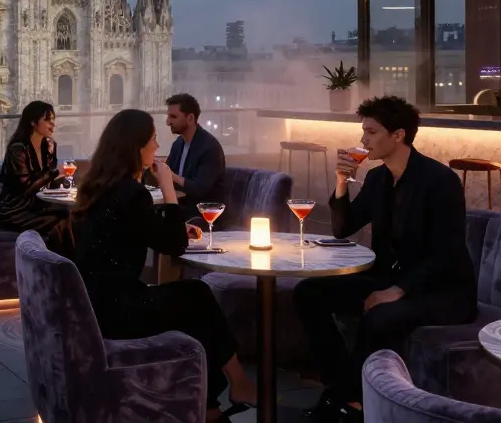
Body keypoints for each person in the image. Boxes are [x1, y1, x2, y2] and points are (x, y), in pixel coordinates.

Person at [294, 96, 477, 422]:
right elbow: (343, 228)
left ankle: (349, 402)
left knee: (379, 317)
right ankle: (340, 384)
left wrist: (397, 290)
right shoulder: (378, 178)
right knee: (308, 292)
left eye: (371, 132)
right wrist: (341, 182)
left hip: (442, 290)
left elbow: (446, 253)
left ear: (398, 135)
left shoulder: (439, 180)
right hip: (390, 279)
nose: (363, 140)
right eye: (363, 131)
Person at [71, 108, 256, 421]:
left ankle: (210, 403)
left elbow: (139, 230)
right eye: (153, 140)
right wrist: (168, 188)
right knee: (197, 296)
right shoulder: (131, 192)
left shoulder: (101, 187)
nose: (158, 147)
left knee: (191, 304)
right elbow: (173, 246)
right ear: (137, 147)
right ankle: (236, 385)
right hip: (117, 310)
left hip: (94, 304)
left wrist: (175, 227)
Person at [0, 100, 72, 254]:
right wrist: (55, 173)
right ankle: (56, 262)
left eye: (53, 119)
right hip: (14, 210)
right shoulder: (17, 149)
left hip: (36, 206)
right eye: (47, 120)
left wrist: (60, 177)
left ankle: (67, 261)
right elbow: (27, 188)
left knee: (71, 214)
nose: (52, 124)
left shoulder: (48, 146)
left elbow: (47, 182)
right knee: (62, 221)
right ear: (33, 122)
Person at [163, 92, 226, 205]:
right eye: (168, 116)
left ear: (190, 118)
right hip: (180, 206)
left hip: (202, 210)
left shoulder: (210, 148)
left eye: (173, 117)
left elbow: (200, 189)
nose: (168, 122)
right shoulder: (178, 144)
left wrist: (171, 176)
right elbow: (167, 173)